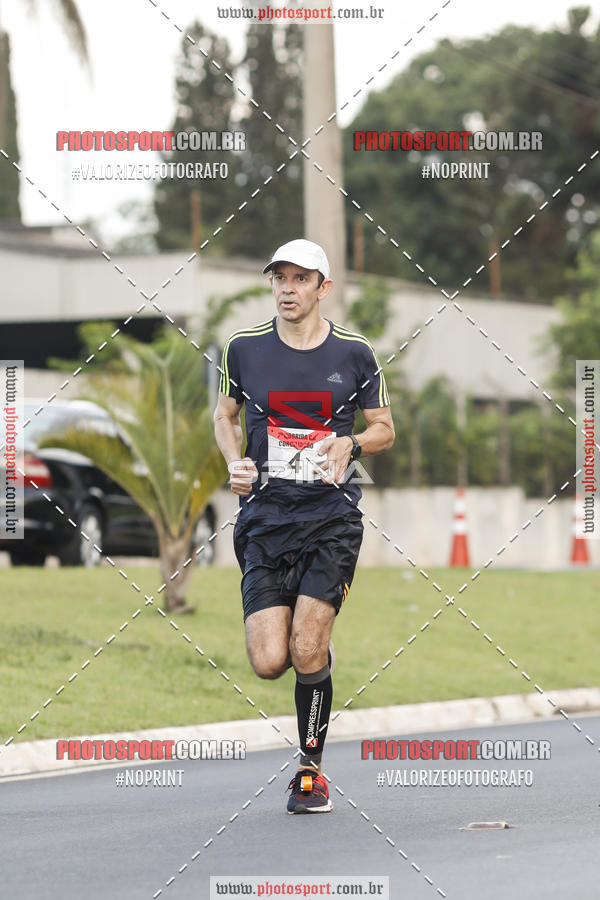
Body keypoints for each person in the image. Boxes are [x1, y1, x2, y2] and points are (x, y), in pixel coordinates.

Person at [213, 239, 395, 813]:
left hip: (330, 518)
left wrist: (353, 442)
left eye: (300, 278)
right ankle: (313, 659)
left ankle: (310, 771)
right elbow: (225, 415)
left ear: (323, 287)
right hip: (265, 518)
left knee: (307, 645)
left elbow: (386, 428)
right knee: (270, 661)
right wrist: (233, 461)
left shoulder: (356, 353)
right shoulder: (243, 349)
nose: (288, 288)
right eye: (279, 278)